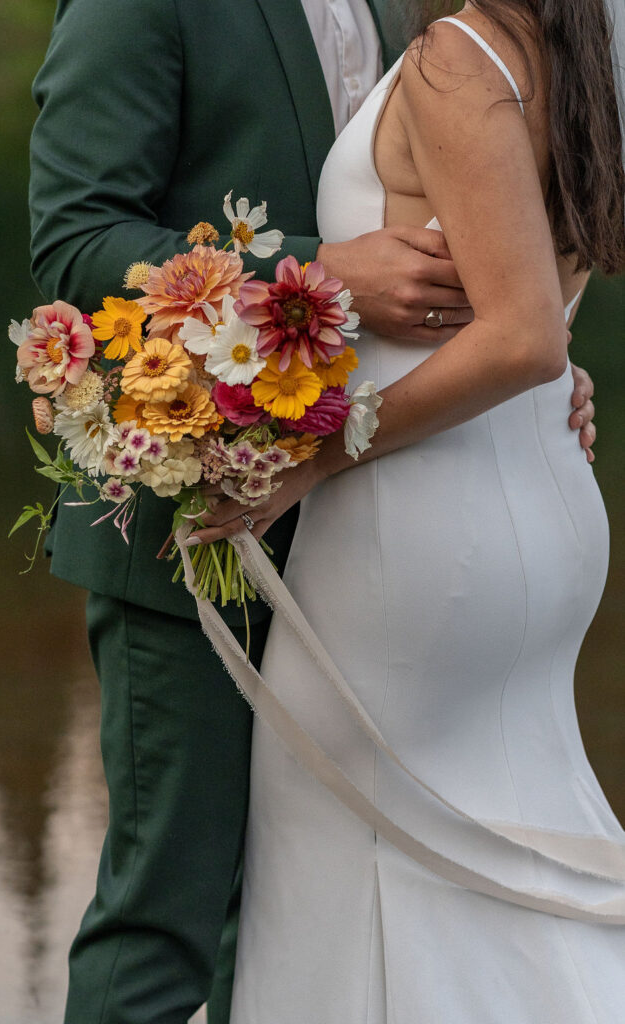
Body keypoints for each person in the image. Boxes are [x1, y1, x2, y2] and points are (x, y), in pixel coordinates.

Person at [28, 1, 598, 1021]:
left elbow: (471, 220)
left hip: (384, 529)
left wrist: (528, 367)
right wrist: (320, 274)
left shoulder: (414, 13)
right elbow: (75, 243)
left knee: (310, 912)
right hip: (196, 517)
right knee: (164, 918)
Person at [188, 1, 625, 1020]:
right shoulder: (575, 56)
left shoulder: (457, 54)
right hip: (539, 497)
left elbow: (521, 338)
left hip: (421, 532)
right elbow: (541, 294)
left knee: (343, 845)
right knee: (504, 839)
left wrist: (310, 453)